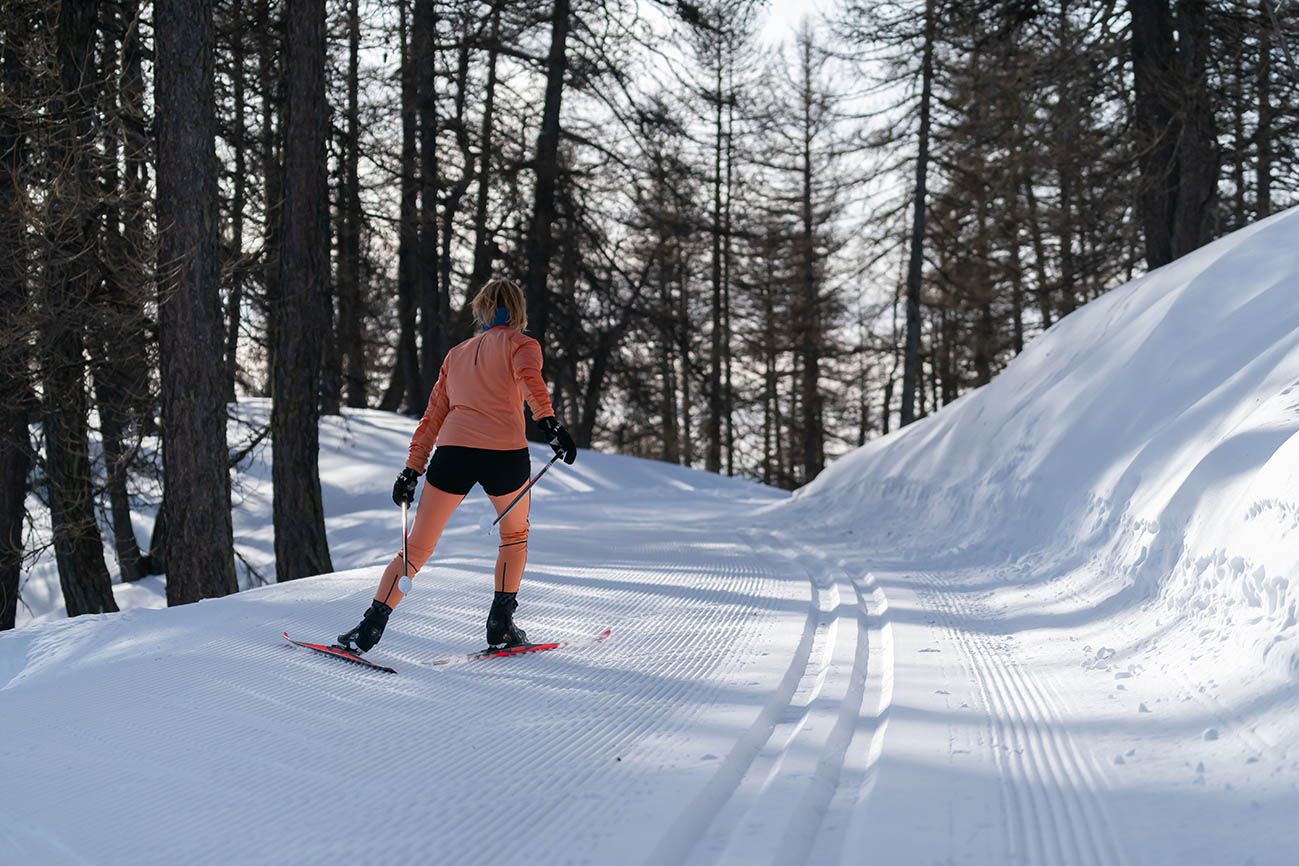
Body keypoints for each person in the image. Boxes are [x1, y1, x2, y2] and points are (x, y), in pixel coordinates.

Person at [337, 277, 577, 654]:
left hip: (454, 454)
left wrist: (412, 469)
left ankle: (368, 628)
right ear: (517, 310)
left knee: (415, 548)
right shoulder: (522, 344)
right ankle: (500, 624)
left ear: (481, 309)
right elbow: (531, 383)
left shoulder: (457, 354)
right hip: (505, 455)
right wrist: (550, 425)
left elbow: (432, 416)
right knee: (514, 537)